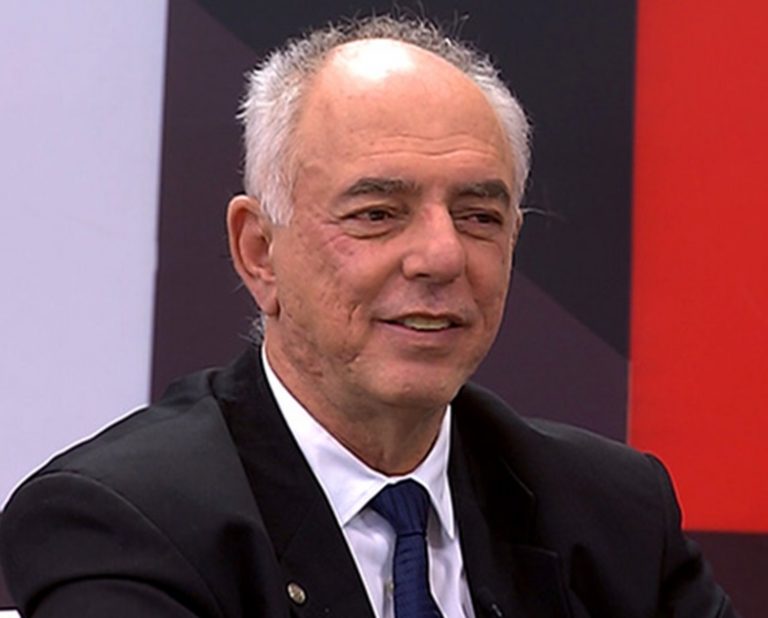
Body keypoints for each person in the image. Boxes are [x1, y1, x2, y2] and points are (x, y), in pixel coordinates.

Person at [0, 15, 739, 618]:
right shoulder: (122, 521)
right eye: (378, 214)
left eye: (479, 217)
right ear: (260, 252)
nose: (441, 257)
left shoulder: (613, 513)